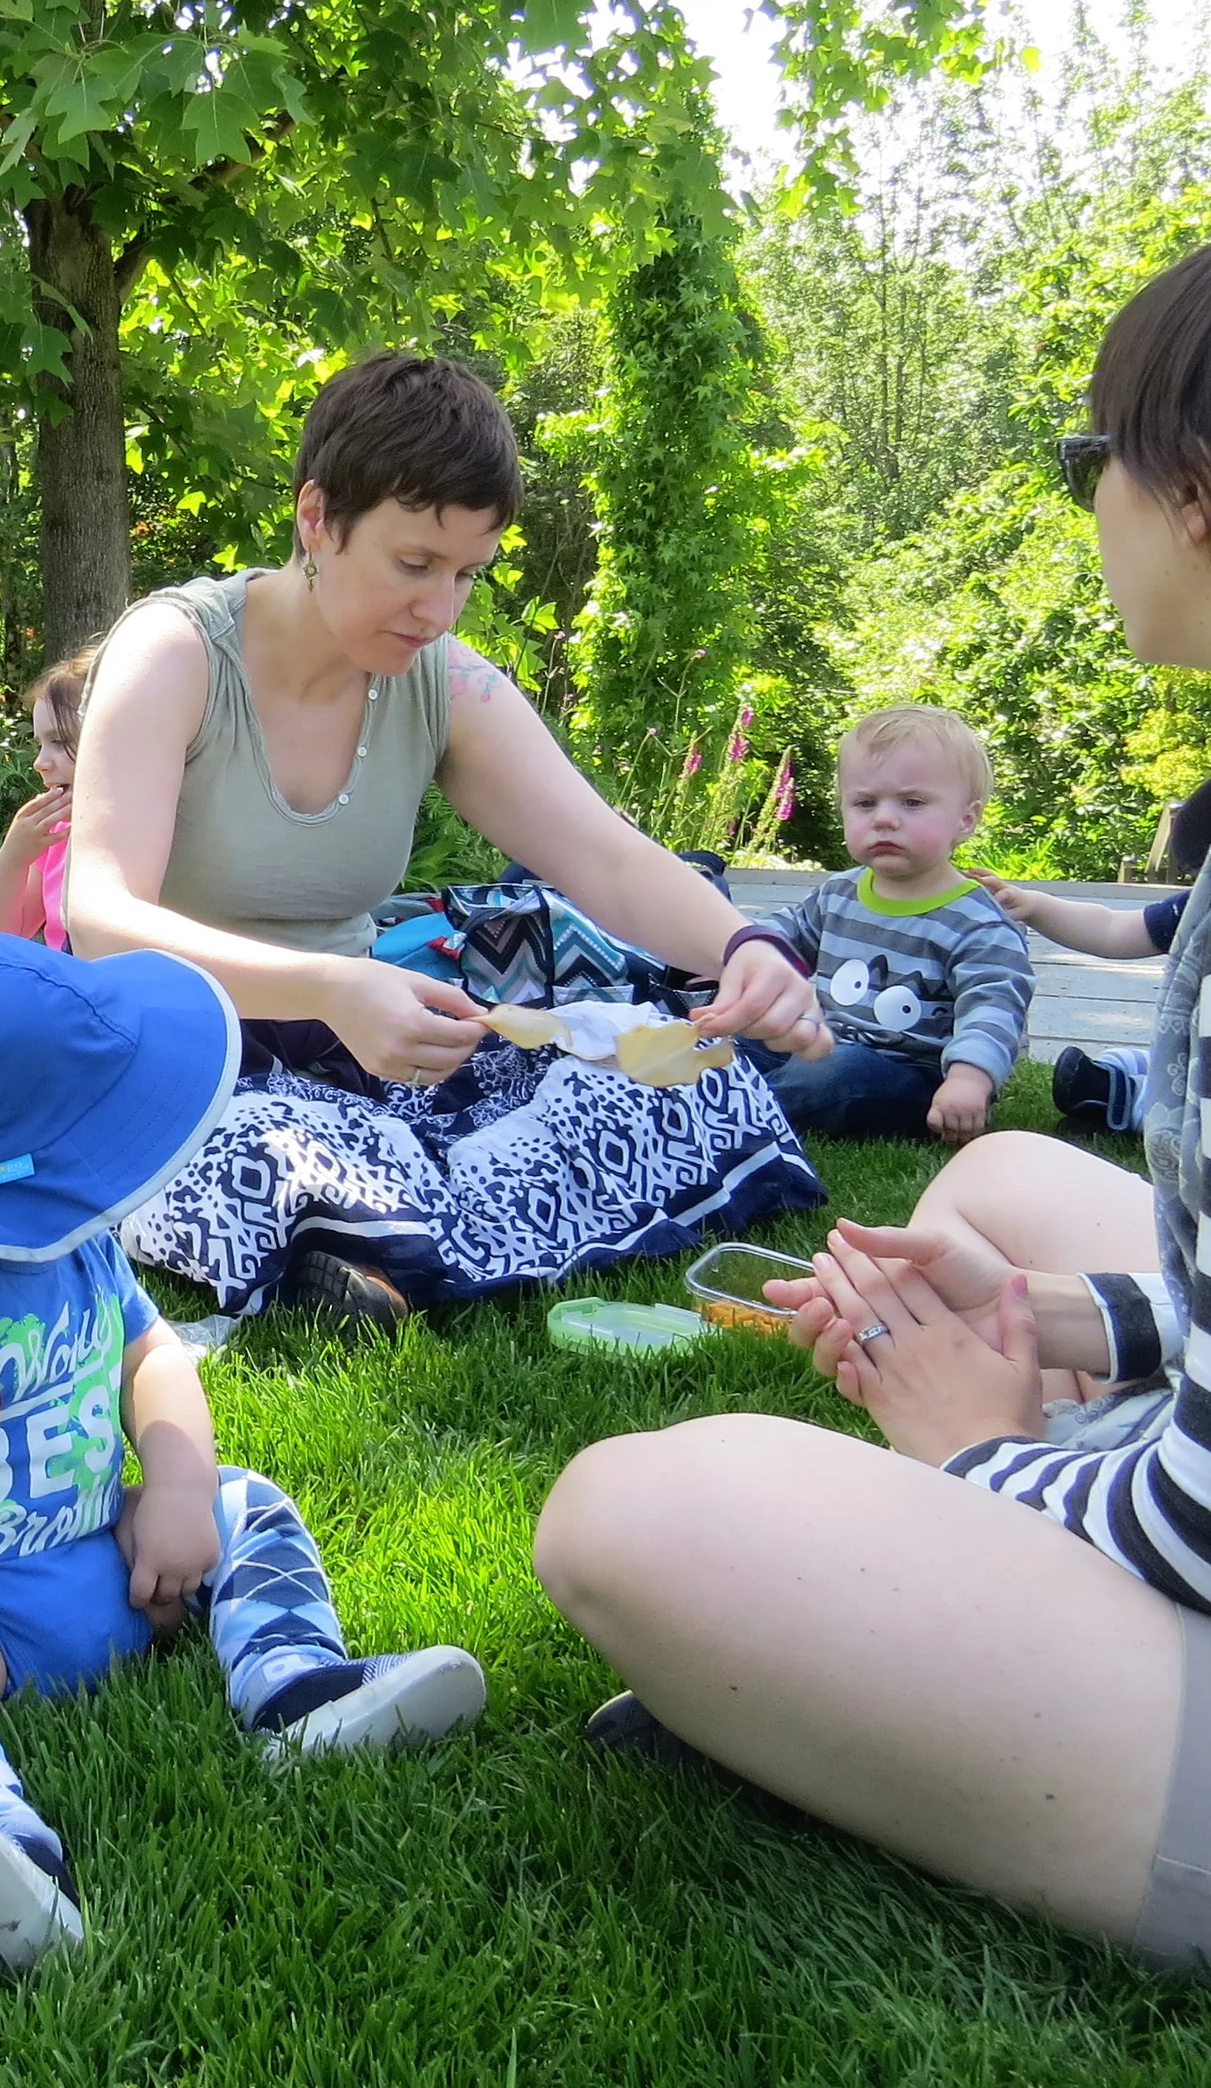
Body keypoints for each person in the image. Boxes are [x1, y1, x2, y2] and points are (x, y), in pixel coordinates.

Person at [532, 243, 1211, 1972]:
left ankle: (897, 1657)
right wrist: (1064, 1319)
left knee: (632, 1513)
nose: (1095, 507)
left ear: (1193, 495)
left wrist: (977, 1454)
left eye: (1091, 463)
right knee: (1011, 1206)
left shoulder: (970, 912)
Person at [63, 351, 830, 1329]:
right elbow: (100, 921)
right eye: (414, 564)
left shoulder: (444, 681)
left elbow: (607, 856)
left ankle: (369, 1241)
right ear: (316, 519)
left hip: (358, 1052)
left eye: (468, 572)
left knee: (675, 1090)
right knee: (258, 1144)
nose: (440, 606)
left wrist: (745, 948)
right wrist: (330, 987)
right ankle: (360, 1227)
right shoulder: (173, 651)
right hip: (173, 1051)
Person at [0, 934, 486, 1969]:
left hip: (105, 1556)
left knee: (244, 1500)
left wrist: (175, 1482)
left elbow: (151, 1352)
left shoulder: (72, 1234)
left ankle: (294, 1686)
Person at [745, 707, 1032, 1146]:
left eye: (912, 802)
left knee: (837, 1075)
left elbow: (993, 1010)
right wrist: (736, 956)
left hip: (912, 1077)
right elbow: (779, 938)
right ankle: (724, 1081)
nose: (883, 818)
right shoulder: (839, 893)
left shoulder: (978, 922)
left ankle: (742, 1110)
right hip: (822, 1041)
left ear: (966, 819)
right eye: (865, 803)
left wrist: (969, 1080)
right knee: (749, 1035)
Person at [973, 871, 1182, 1134]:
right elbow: (1112, 928)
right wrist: (1034, 906)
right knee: (1126, 1059)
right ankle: (1129, 1077)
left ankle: (1126, 1099)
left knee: (1181, 1111)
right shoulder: (1200, 909)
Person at [0, 645, 94, 949]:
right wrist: (14, 857)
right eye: (40, 743)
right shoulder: (55, 833)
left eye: (60, 741)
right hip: (68, 985)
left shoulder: (155, 826)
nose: (40, 762)